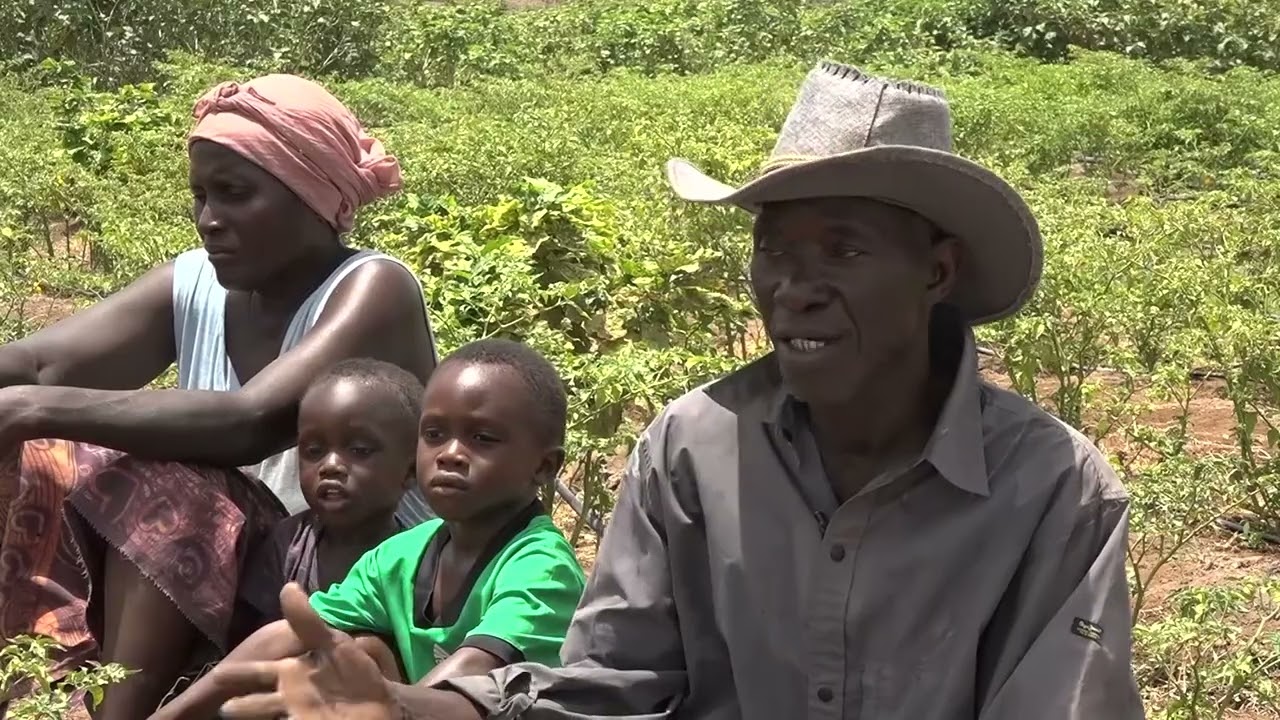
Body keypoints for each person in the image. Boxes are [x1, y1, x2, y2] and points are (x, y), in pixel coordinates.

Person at [213, 61, 1146, 720]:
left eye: (844, 250)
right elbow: (610, 687)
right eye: (774, 250)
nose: (796, 284)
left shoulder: (1051, 487)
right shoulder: (694, 447)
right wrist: (412, 711)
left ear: (937, 271)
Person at [0, 74, 437, 720]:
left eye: (235, 195)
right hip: (227, 556)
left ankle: (120, 711)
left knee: (170, 481)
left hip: (346, 560)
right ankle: (37, 688)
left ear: (311, 197)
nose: (210, 219)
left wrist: (30, 409)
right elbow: (40, 363)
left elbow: (250, 422)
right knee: (38, 458)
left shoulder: (374, 290)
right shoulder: (195, 283)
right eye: (201, 196)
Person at [167, 338, 587, 720]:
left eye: (482, 437)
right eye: (435, 434)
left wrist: (386, 707)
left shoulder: (540, 566)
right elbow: (290, 634)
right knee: (358, 651)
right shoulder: (402, 554)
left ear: (544, 467)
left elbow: (474, 677)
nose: (451, 455)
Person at [151, 357, 424, 719]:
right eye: (313, 451)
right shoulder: (287, 543)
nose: (330, 465)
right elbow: (248, 641)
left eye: (359, 450)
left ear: (408, 472)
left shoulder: (416, 560)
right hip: (277, 700)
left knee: (365, 649)